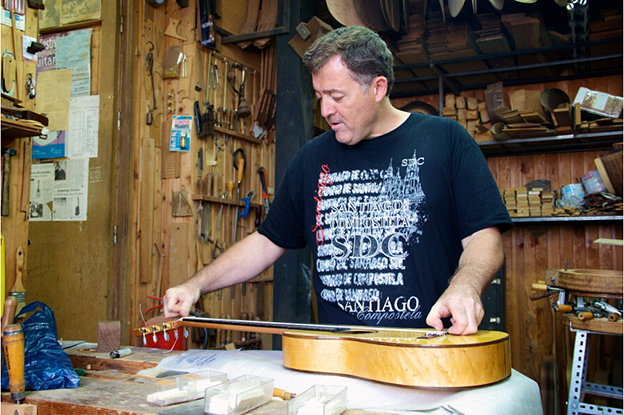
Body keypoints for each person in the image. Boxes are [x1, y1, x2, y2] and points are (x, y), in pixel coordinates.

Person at [164, 26, 512, 335]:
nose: (326, 110)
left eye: (337, 96)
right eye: (319, 97)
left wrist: (465, 286)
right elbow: (266, 242)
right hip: (337, 356)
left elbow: (485, 236)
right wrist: (197, 285)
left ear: (377, 88)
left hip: (425, 351)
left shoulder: (446, 140)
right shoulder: (311, 159)